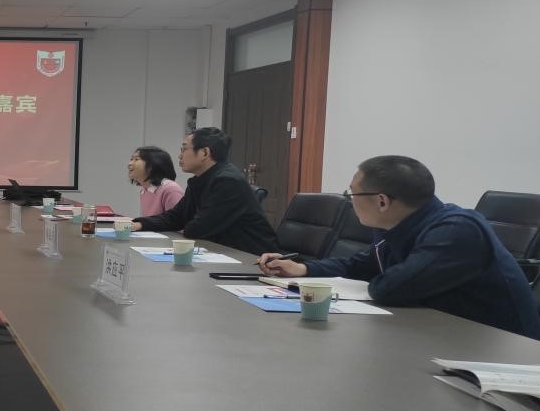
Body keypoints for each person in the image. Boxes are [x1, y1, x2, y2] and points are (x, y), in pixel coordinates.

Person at [259, 156, 539, 339]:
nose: (349, 200)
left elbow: (390, 288)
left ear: (382, 201)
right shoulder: (398, 225)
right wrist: (303, 269)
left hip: (503, 350)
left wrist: (380, 278)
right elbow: (364, 264)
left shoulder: (456, 231)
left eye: (352, 193)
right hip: (441, 335)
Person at [131, 127, 277, 255]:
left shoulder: (228, 181)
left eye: (184, 149)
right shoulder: (199, 180)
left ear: (204, 153)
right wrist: (139, 224)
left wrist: (185, 223)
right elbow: (176, 217)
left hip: (251, 257)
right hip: (222, 252)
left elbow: (198, 229)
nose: (179, 156)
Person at [128, 146, 183, 217]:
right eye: (131, 159)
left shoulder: (171, 189)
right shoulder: (144, 190)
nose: (130, 163)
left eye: (136, 159)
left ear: (153, 165)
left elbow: (177, 221)